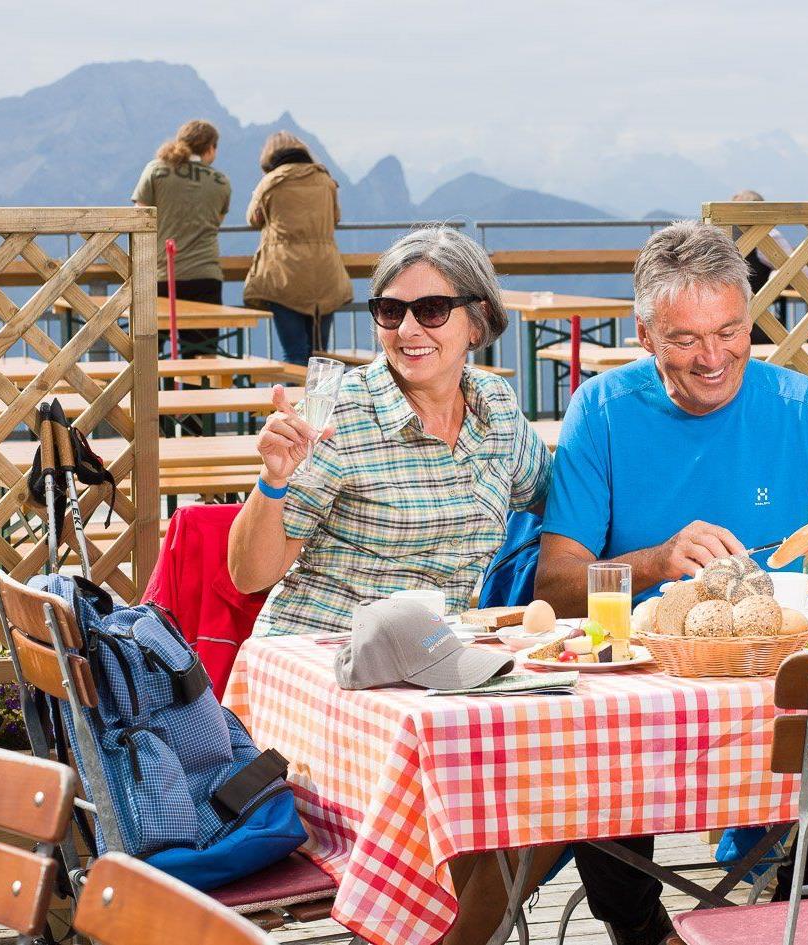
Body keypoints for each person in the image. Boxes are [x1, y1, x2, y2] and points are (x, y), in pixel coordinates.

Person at [533, 221, 808, 945]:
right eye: (685, 339)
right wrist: (654, 560)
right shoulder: (603, 410)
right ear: (645, 334)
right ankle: (642, 927)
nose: (715, 358)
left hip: (781, 694)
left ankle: (797, 917)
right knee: (579, 732)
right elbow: (554, 585)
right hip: (638, 711)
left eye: (731, 330)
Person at [228, 226, 558, 944]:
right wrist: (273, 480)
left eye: (433, 309)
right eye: (389, 310)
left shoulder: (498, 413)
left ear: (479, 321)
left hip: (436, 677)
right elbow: (250, 573)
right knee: (509, 801)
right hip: (330, 677)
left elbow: (562, 499)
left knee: (556, 792)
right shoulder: (343, 412)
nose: (408, 328)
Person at [243, 131, 351, 366]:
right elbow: (336, 217)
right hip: (325, 274)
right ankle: (322, 403)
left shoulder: (271, 182)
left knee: (294, 354)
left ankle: (293, 403)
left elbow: (253, 219)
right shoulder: (325, 180)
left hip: (285, 275)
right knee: (320, 356)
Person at [132, 119, 231, 358]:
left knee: (150, 355)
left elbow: (139, 217)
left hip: (160, 274)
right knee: (202, 356)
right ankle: (199, 396)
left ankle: (154, 396)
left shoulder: (155, 171)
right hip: (204, 276)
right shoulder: (221, 182)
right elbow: (216, 222)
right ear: (210, 148)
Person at [729, 189, 808, 344]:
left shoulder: (722, 236)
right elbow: (802, 275)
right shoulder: (768, 237)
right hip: (752, 321)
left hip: (720, 320)